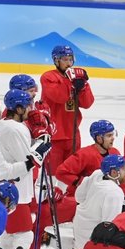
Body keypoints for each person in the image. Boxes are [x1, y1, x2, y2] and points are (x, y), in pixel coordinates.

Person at [0, 89, 56, 249]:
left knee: (12, 237)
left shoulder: (5, 125)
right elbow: (27, 161)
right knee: (24, 235)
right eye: (27, 106)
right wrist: (43, 143)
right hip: (15, 191)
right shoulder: (14, 129)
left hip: (11, 190)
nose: (30, 110)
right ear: (18, 108)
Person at [55, 120, 122, 249]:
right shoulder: (85, 154)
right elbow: (61, 171)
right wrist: (82, 182)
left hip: (104, 198)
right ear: (99, 138)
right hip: (84, 198)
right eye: (109, 135)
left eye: (113, 134)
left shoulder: (115, 153)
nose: (113, 138)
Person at [70, 154, 125, 249]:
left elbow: (78, 197)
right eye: (123, 168)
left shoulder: (97, 173)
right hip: (92, 241)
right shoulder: (115, 192)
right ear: (114, 173)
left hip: (78, 230)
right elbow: (109, 226)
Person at [40, 44, 95, 173]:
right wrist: (71, 82)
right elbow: (60, 97)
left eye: (71, 59)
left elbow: (87, 103)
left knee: (71, 172)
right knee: (52, 174)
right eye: (65, 59)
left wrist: (83, 86)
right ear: (56, 60)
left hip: (73, 134)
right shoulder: (48, 77)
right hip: (53, 135)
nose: (69, 63)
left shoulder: (76, 79)